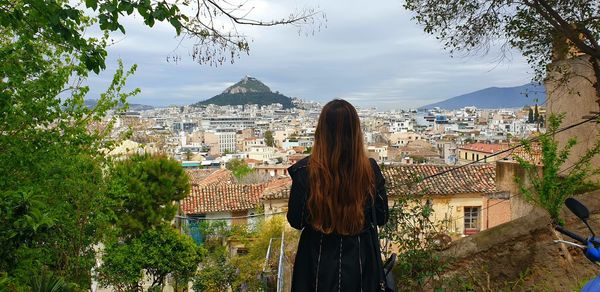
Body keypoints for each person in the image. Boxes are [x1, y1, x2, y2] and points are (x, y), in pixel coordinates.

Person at [287, 99, 388, 292]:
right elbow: (382, 216)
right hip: (361, 261)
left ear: (321, 131)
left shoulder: (304, 171)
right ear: (356, 132)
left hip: (316, 262)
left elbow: (296, 220)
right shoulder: (370, 170)